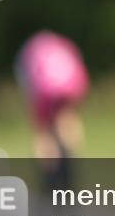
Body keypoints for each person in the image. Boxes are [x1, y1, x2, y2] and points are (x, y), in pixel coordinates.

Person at [15, 30, 89, 193]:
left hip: (44, 90)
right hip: (72, 84)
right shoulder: (64, 46)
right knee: (68, 120)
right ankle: (70, 166)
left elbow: (29, 86)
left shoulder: (30, 53)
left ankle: (50, 178)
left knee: (43, 132)